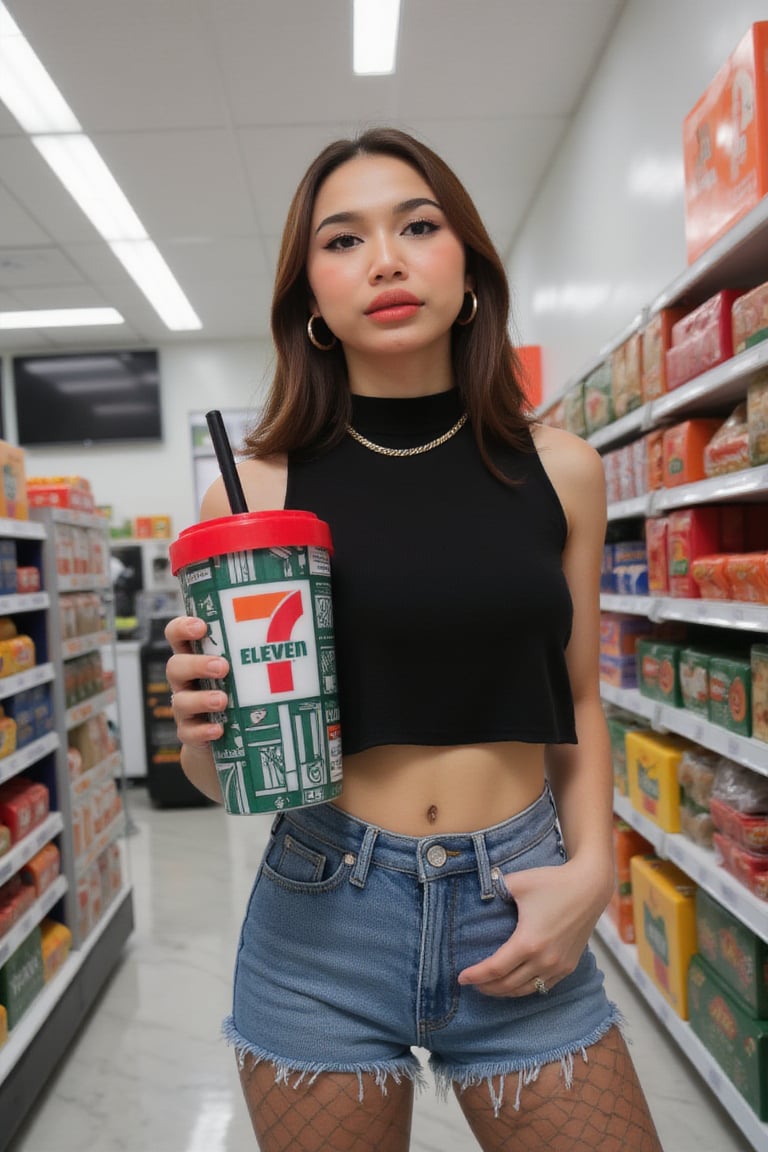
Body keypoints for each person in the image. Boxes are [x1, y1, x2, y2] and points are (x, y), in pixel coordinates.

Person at [165, 127, 663, 1152]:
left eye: (418, 225)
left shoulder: (559, 467)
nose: (385, 259)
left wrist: (593, 873)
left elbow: (575, 696)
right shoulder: (252, 493)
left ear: (468, 267)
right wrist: (201, 729)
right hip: (321, 917)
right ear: (310, 297)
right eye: (342, 241)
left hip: (518, 898)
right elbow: (230, 780)